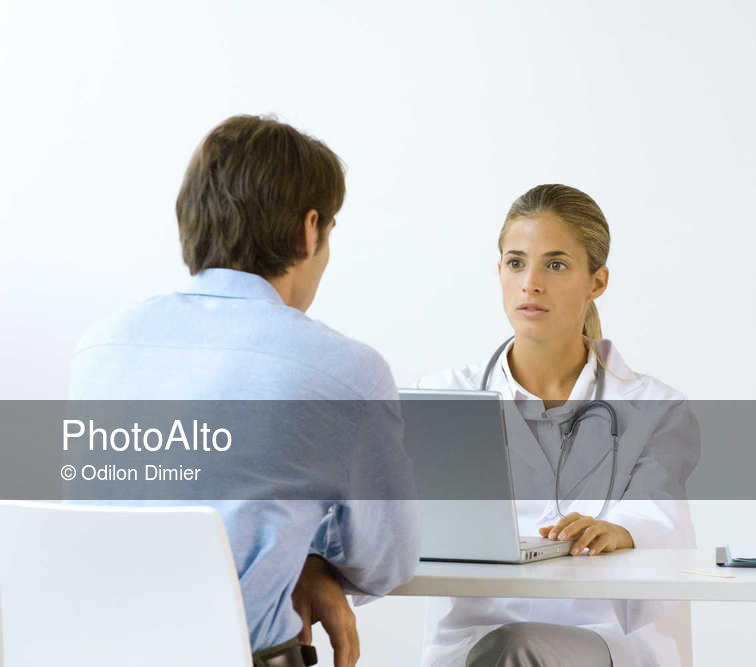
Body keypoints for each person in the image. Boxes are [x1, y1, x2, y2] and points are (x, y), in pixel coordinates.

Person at [69, 115, 419, 667]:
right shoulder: (346, 372)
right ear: (310, 230)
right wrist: (309, 560)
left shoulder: (100, 345)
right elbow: (386, 561)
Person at [418, 184, 699, 666]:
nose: (530, 283)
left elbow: (662, 520)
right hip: (474, 641)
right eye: (516, 262)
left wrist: (620, 530)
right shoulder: (445, 397)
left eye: (555, 265)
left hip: (603, 640)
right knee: (507, 649)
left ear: (597, 282)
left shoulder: (654, 407)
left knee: (516, 650)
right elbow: (391, 521)